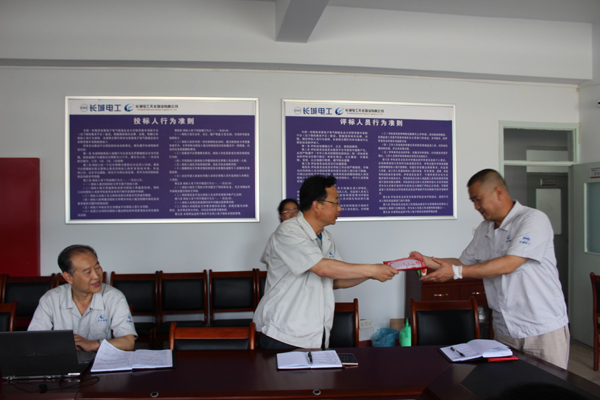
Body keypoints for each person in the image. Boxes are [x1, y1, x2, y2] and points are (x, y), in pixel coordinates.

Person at [411, 169, 569, 368]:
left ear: (498, 193)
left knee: (549, 384)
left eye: (478, 200)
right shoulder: (485, 229)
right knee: (509, 384)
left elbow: (509, 264)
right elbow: (463, 262)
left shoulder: (532, 220)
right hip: (506, 329)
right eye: (473, 201)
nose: (476, 207)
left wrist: (456, 273)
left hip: (541, 328)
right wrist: (425, 260)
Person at [253, 175, 398, 349]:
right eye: (335, 202)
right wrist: (372, 269)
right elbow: (322, 268)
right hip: (283, 332)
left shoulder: (326, 237)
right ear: (317, 205)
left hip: (316, 333)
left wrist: (372, 275)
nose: (340, 208)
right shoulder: (288, 232)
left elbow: (336, 280)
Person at [28, 245, 137, 351]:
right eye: (87, 272)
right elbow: (34, 339)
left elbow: (128, 342)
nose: (96, 276)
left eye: (97, 268)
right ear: (68, 278)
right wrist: (63, 344)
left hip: (101, 361)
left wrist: (93, 345)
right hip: (63, 360)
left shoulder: (114, 297)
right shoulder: (51, 299)